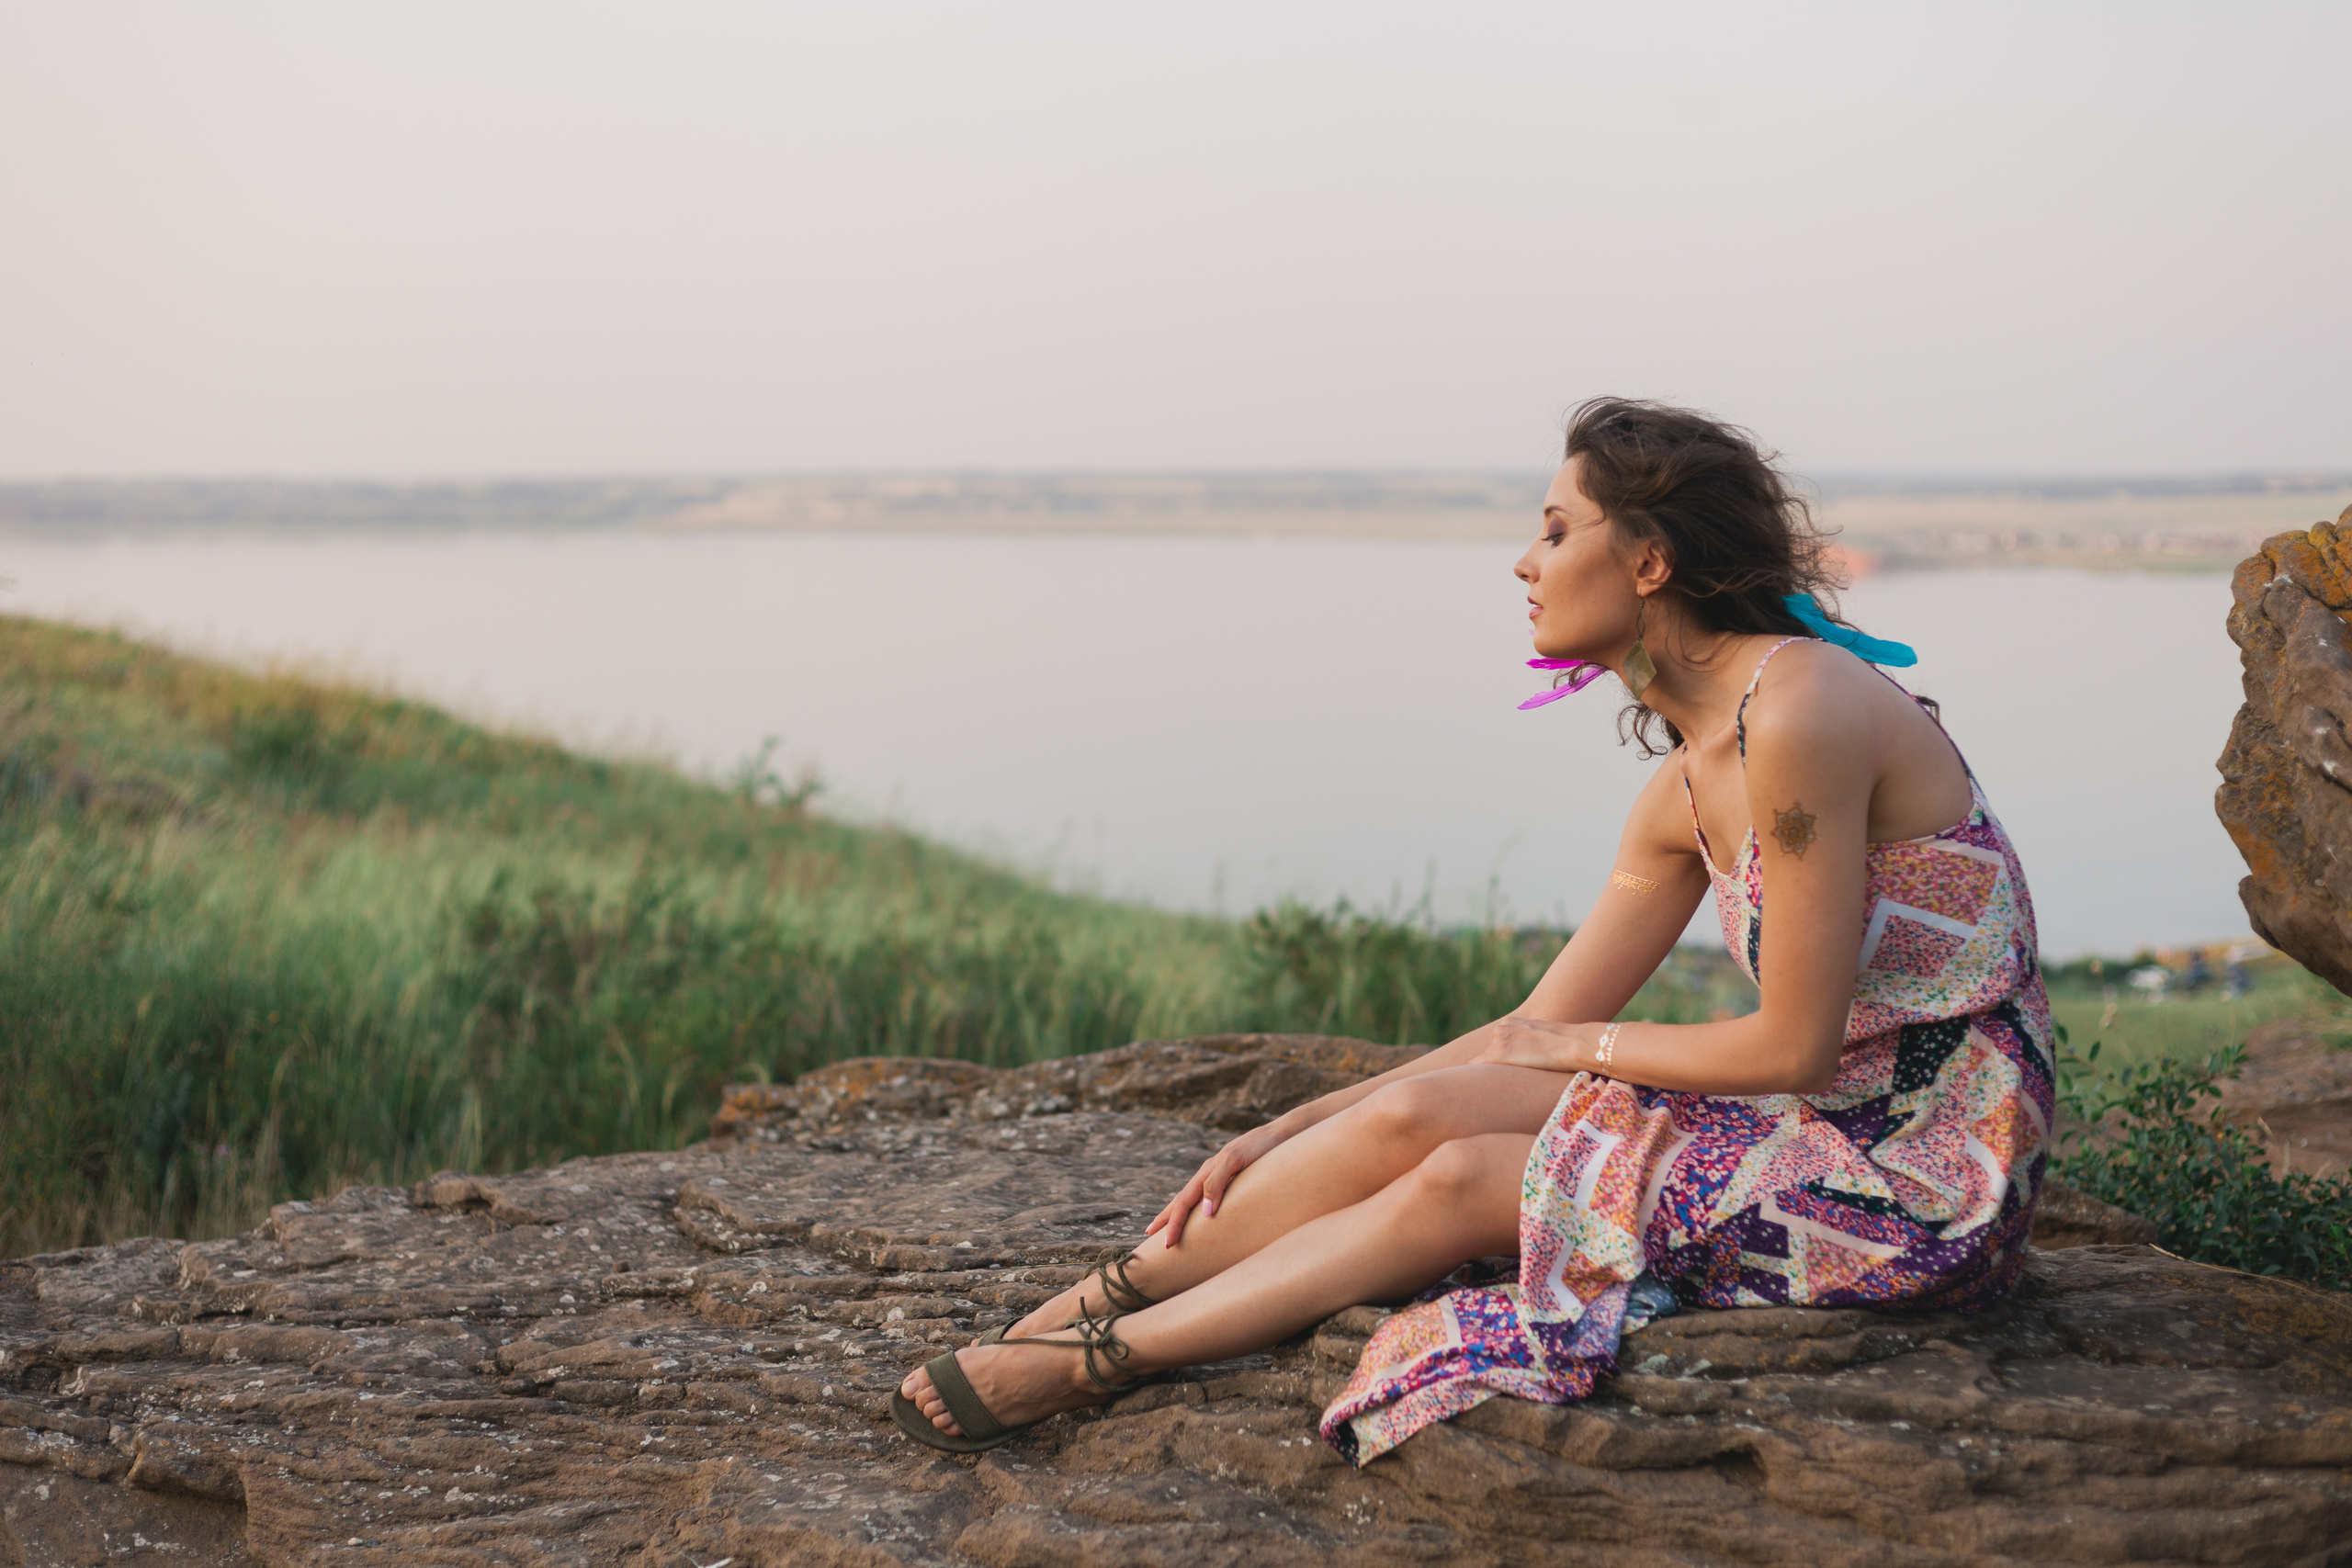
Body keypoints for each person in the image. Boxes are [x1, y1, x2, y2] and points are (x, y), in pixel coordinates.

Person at [893, 398, 2054, 1463]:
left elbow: (1786, 1046)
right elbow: (1532, 1026)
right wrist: (1289, 1125)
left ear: (1648, 560)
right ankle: (1083, 1307)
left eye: (1555, 531)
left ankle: (1093, 1368)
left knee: (1464, 1181)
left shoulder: (1801, 708)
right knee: (1414, 1113)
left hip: (1922, 1171)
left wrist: (1565, 1055)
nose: (1523, 561)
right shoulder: (1682, 792)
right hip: (1812, 1118)